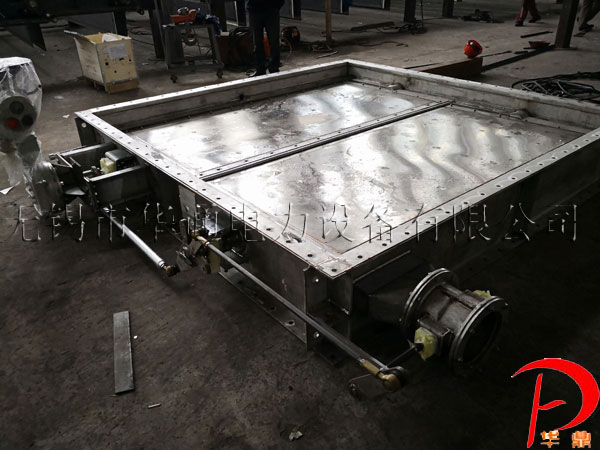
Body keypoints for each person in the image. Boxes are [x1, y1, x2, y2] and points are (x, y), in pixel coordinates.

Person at [246, 0, 285, 76]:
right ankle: (260, 69)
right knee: (257, 42)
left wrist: (277, 5)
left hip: (272, 10)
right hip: (255, 10)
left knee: (274, 41)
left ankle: (274, 68)